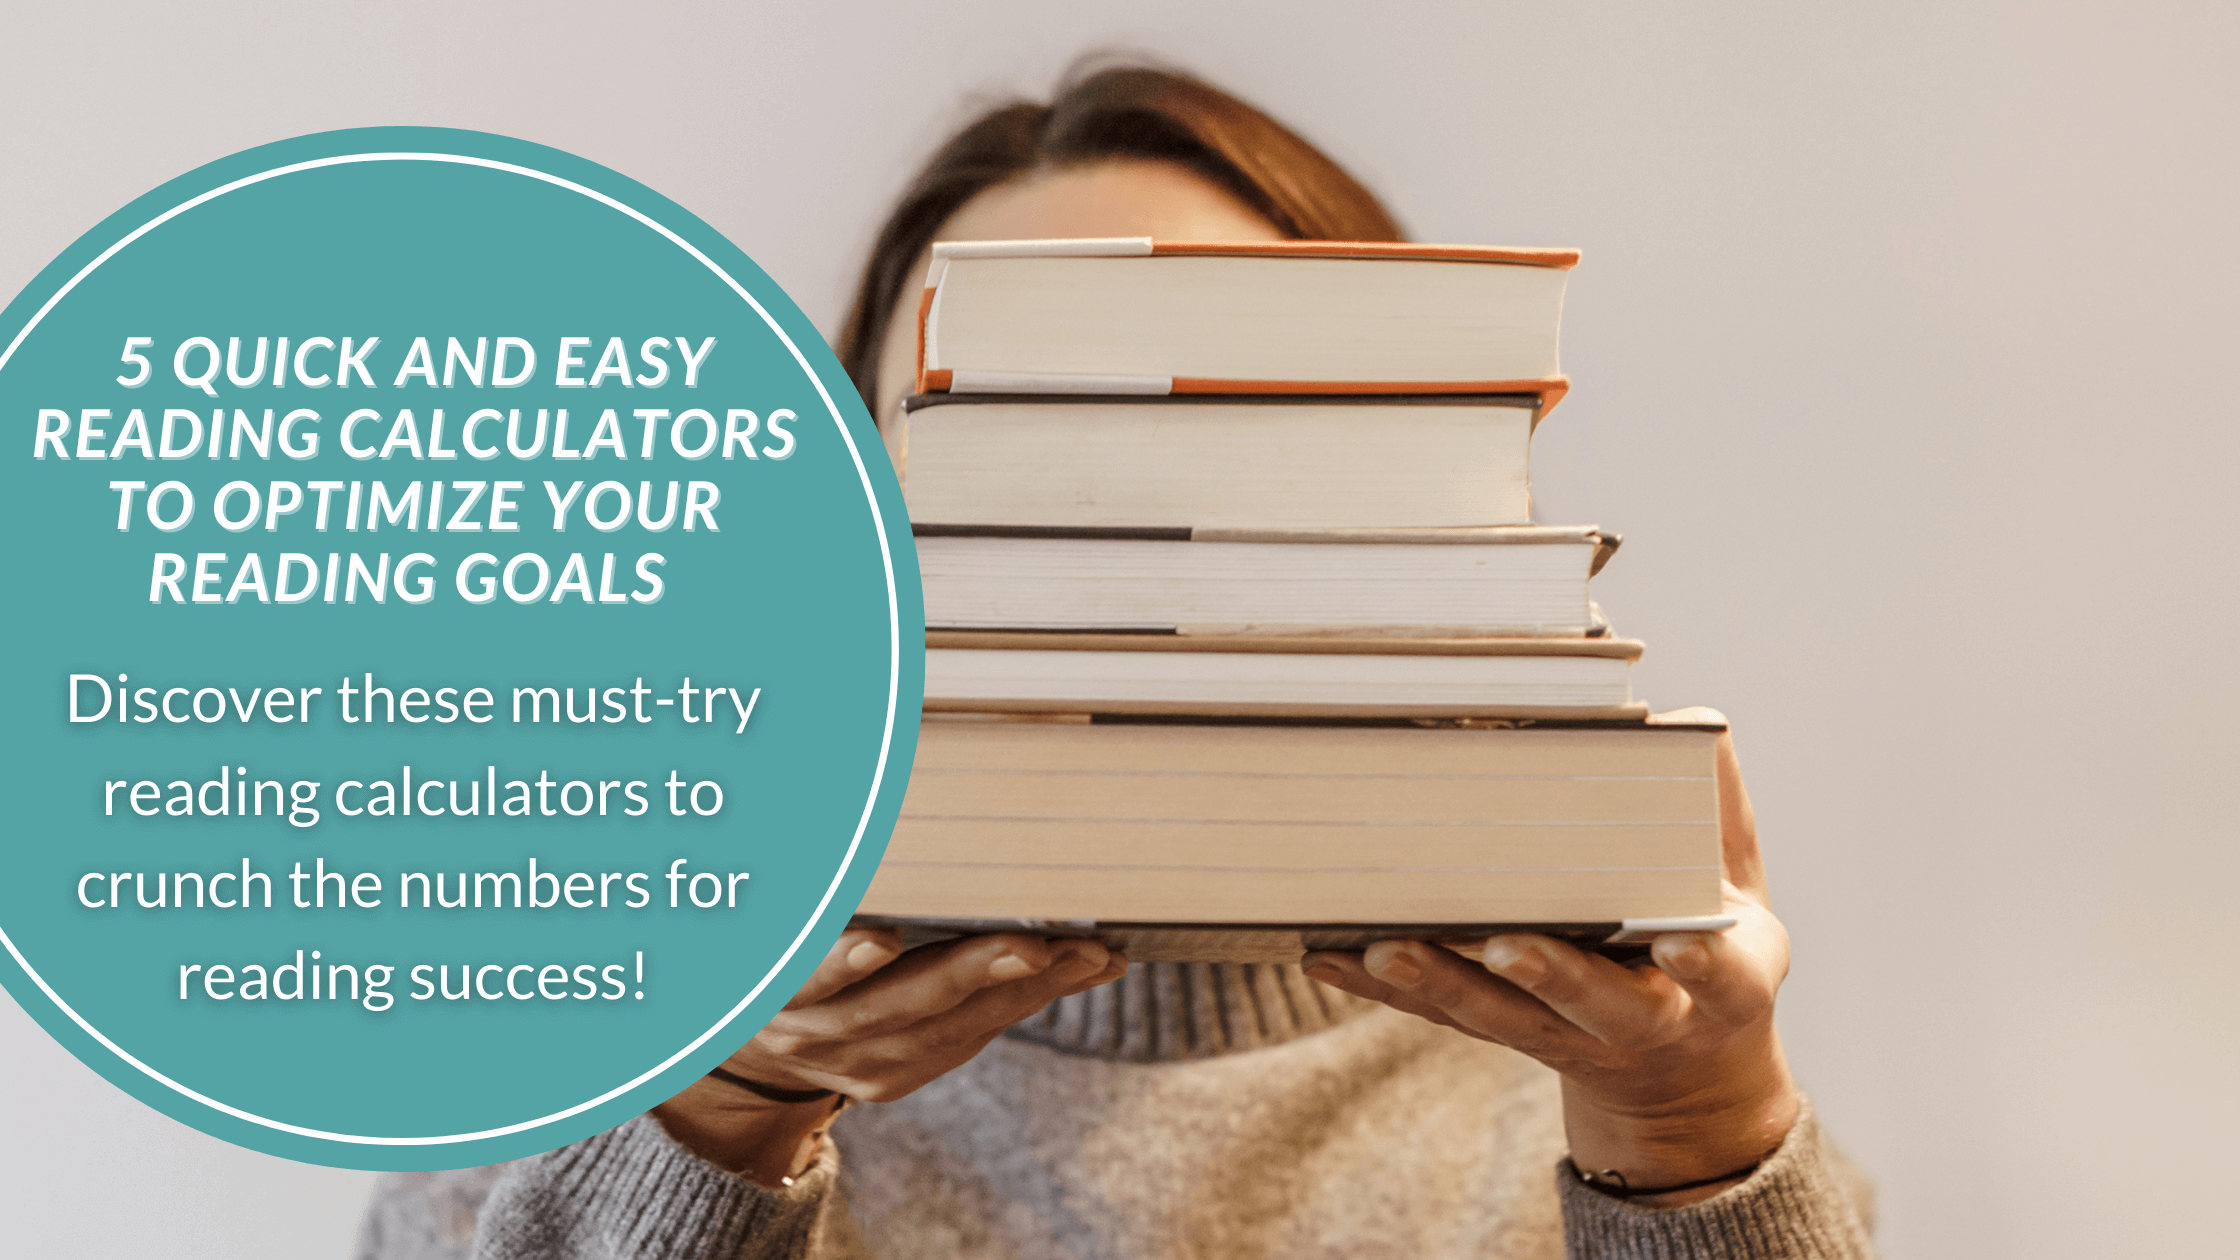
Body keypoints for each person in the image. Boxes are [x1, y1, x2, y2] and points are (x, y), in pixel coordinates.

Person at [358, 64, 1877, 1260]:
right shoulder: (565, 1074)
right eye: (998, 427)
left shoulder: (1611, 1069)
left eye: (1216, 404)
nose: (1110, 529)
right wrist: (711, 1119)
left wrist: (1696, 1141)